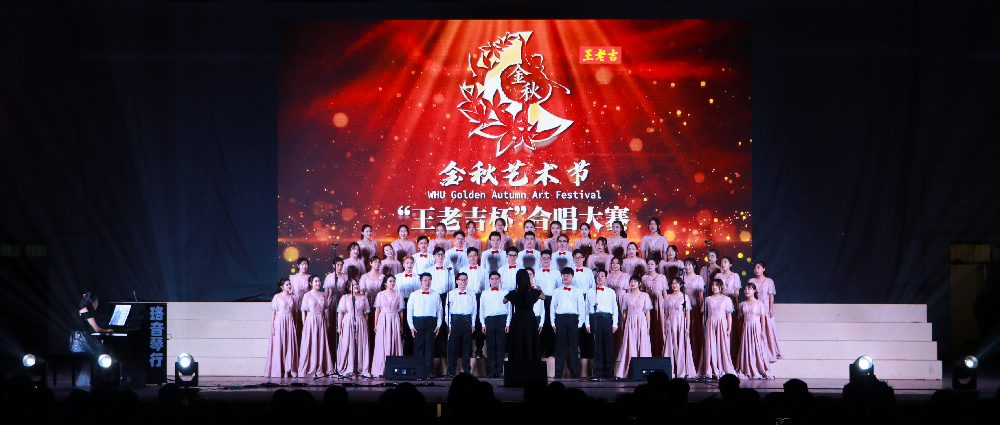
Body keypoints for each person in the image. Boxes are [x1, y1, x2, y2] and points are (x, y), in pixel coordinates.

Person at [551, 267, 588, 379]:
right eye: (564, 275)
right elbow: (553, 307)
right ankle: (558, 373)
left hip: (573, 319)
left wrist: (580, 323)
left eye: (568, 275)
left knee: (574, 347)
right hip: (560, 318)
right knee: (559, 347)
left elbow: (581, 307)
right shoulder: (557, 291)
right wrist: (553, 323)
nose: (565, 277)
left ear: (572, 276)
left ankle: (575, 373)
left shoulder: (577, 291)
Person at [504, 269, 545, 362]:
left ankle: (517, 362)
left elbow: (504, 301)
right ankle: (530, 361)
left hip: (517, 319)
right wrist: (539, 289)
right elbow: (543, 297)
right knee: (529, 340)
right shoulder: (533, 292)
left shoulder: (514, 293)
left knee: (518, 340)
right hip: (529, 318)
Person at [615, 275, 652, 378]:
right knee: (630, 343)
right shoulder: (626, 296)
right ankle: (629, 370)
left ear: (639, 284)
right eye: (631, 281)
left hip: (641, 320)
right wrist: (625, 323)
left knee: (642, 343)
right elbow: (624, 313)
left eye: (635, 281)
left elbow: (647, 312)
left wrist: (648, 327)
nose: (632, 283)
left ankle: (644, 370)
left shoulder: (644, 295)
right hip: (630, 321)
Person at [72, 292, 112, 386]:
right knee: (105, 351)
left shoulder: (78, 311)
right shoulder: (86, 312)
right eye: (97, 302)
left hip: (76, 340)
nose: (97, 304)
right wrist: (107, 331)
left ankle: (95, 377)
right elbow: (96, 329)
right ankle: (101, 378)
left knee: (101, 351)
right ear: (92, 301)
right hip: (82, 342)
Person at [407, 273, 442, 379]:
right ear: (420, 281)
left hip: (431, 322)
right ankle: (417, 371)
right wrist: (411, 326)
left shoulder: (436, 294)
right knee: (418, 348)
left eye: (429, 280)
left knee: (430, 348)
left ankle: (429, 371)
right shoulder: (414, 294)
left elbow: (439, 310)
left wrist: (438, 325)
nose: (427, 282)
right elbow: (410, 311)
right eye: (425, 280)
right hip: (418, 322)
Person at [735, 283, 774, 379]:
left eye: (749, 289)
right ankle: (746, 368)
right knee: (747, 347)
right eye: (745, 289)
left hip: (756, 327)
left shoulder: (759, 303)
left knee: (757, 347)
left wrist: (762, 331)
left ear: (754, 290)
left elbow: (762, 318)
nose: (747, 291)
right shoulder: (742, 304)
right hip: (746, 327)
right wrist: (741, 330)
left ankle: (758, 368)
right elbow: (740, 320)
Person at [701, 279, 737, 379]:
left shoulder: (726, 299)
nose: (714, 287)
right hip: (710, 323)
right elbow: (704, 315)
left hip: (722, 323)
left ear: (721, 287)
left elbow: (729, 315)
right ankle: (711, 368)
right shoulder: (707, 299)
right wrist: (704, 326)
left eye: (716, 285)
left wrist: (729, 329)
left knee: (722, 345)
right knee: (710, 345)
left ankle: (723, 367)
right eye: (713, 285)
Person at [299, 276, 335, 377]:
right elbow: (303, 311)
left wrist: (326, 321)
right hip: (310, 321)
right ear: (311, 283)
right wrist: (305, 325)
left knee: (320, 342)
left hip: (321, 320)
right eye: (316, 281)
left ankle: (321, 367)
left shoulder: (323, 295)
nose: (318, 283)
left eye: (319, 281)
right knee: (311, 343)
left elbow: (325, 309)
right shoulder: (307, 295)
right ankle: (310, 367)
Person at [663, 276, 697, 378]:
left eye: (676, 284)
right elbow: (666, 313)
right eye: (673, 283)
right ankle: (670, 370)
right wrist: (665, 325)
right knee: (670, 344)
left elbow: (687, 314)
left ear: (680, 285)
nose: (674, 285)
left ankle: (682, 370)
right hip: (670, 321)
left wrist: (687, 328)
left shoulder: (685, 297)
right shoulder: (668, 297)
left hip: (681, 322)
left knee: (682, 344)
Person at [749, 261, 782, 362]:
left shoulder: (769, 281)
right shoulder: (751, 280)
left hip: (765, 305)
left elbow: (771, 296)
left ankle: (769, 350)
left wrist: (771, 308)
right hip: (755, 305)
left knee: (767, 326)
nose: (756, 270)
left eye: (758, 267)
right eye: (755, 268)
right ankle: (756, 350)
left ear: (763, 269)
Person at [446, 273, 478, 377]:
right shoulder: (451, 293)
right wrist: (449, 325)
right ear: (457, 281)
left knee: (467, 348)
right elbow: (447, 311)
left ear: (467, 281)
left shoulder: (471, 294)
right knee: (453, 348)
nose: (463, 282)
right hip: (455, 321)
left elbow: (474, 310)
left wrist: (473, 323)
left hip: (467, 320)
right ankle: (451, 371)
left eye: (465, 279)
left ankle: (467, 371)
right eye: (461, 279)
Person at [337, 279, 371, 377]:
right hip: (348, 321)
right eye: (353, 285)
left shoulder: (364, 297)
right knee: (348, 343)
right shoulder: (344, 298)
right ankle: (348, 367)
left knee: (360, 344)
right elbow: (340, 313)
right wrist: (339, 327)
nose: (356, 286)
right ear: (348, 288)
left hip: (360, 321)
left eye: (356, 284)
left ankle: (360, 367)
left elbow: (366, 313)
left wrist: (365, 324)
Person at [480, 272, 511, 378]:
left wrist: (507, 323)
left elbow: (509, 309)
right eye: (492, 279)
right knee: (491, 346)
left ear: (500, 280)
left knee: (501, 346)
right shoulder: (484, 293)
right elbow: (482, 310)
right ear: (489, 280)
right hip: (489, 320)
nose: (494, 281)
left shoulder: (505, 292)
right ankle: (492, 371)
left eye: (496, 279)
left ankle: (500, 370)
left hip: (502, 319)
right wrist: (483, 324)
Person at [372, 275, 404, 378]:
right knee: (382, 343)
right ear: (385, 283)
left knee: (394, 341)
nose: (392, 283)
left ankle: (395, 369)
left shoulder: (398, 294)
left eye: (394, 281)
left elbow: (401, 311)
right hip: (383, 319)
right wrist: (375, 323)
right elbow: (377, 310)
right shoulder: (380, 294)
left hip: (394, 319)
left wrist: (401, 324)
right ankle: (381, 369)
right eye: (390, 281)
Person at [588, 270, 619, 379]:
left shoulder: (611, 292)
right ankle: (598, 371)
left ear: (606, 278)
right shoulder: (591, 292)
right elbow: (587, 308)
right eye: (598, 276)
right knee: (597, 346)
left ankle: (609, 371)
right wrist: (587, 324)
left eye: (602, 276)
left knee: (608, 345)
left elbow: (615, 308)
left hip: (607, 319)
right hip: (595, 318)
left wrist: (615, 324)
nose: (600, 278)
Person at [266, 279, 298, 378]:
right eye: (287, 285)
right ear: (282, 286)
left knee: (289, 344)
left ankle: (289, 369)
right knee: (279, 344)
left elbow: (294, 312)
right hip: (279, 321)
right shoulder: (277, 297)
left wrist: (295, 324)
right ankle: (278, 370)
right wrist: (272, 327)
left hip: (290, 321)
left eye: (290, 284)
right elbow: (273, 313)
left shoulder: (293, 297)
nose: (289, 286)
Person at [460, 248, 487, 358]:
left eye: (475, 255)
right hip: (467, 296)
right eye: (470, 255)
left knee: (479, 323)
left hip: (479, 296)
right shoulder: (463, 269)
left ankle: (479, 350)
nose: (472, 257)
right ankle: (467, 350)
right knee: (468, 322)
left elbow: (486, 286)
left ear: (478, 256)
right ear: (467, 257)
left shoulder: (483, 270)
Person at [535, 251, 560, 357]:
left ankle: (550, 351)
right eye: (543, 258)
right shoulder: (536, 273)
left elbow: (559, 287)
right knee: (541, 325)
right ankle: (540, 351)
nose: (545, 260)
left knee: (551, 325)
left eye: (547, 258)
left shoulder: (556, 273)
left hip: (552, 300)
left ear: (551, 259)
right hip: (539, 300)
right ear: (540, 259)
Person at [682, 257, 706, 366]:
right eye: (686, 265)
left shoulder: (699, 278)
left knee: (694, 328)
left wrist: (701, 309)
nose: (687, 267)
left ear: (694, 266)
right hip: (684, 306)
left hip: (695, 306)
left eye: (689, 265)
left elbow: (701, 295)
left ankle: (695, 354)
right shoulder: (681, 278)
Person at [642, 258, 668, 357]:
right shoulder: (644, 278)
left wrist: (666, 307)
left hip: (660, 304)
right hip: (648, 305)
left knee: (660, 326)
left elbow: (664, 293)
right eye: (648, 264)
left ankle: (662, 353)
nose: (650, 266)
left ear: (656, 266)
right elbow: (643, 292)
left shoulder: (662, 277)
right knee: (649, 326)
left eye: (652, 264)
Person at [394, 256, 420, 355]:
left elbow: (418, 292)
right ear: (403, 264)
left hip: (414, 303)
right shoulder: (397, 277)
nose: (409, 265)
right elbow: (395, 292)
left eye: (411, 263)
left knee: (411, 326)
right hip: (401, 302)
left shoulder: (417, 277)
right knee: (401, 325)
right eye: (407, 263)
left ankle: (411, 352)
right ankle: (400, 352)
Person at [718, 256, 742, 359]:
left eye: (725, 262)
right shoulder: (718, 275)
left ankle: (732, 351)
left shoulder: (735, 276)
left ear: (730, 264)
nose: (723, 264)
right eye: (721, 262)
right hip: (721, 301)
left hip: (731, 300)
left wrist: (737, 304)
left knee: (732, 324)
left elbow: (736, 292)